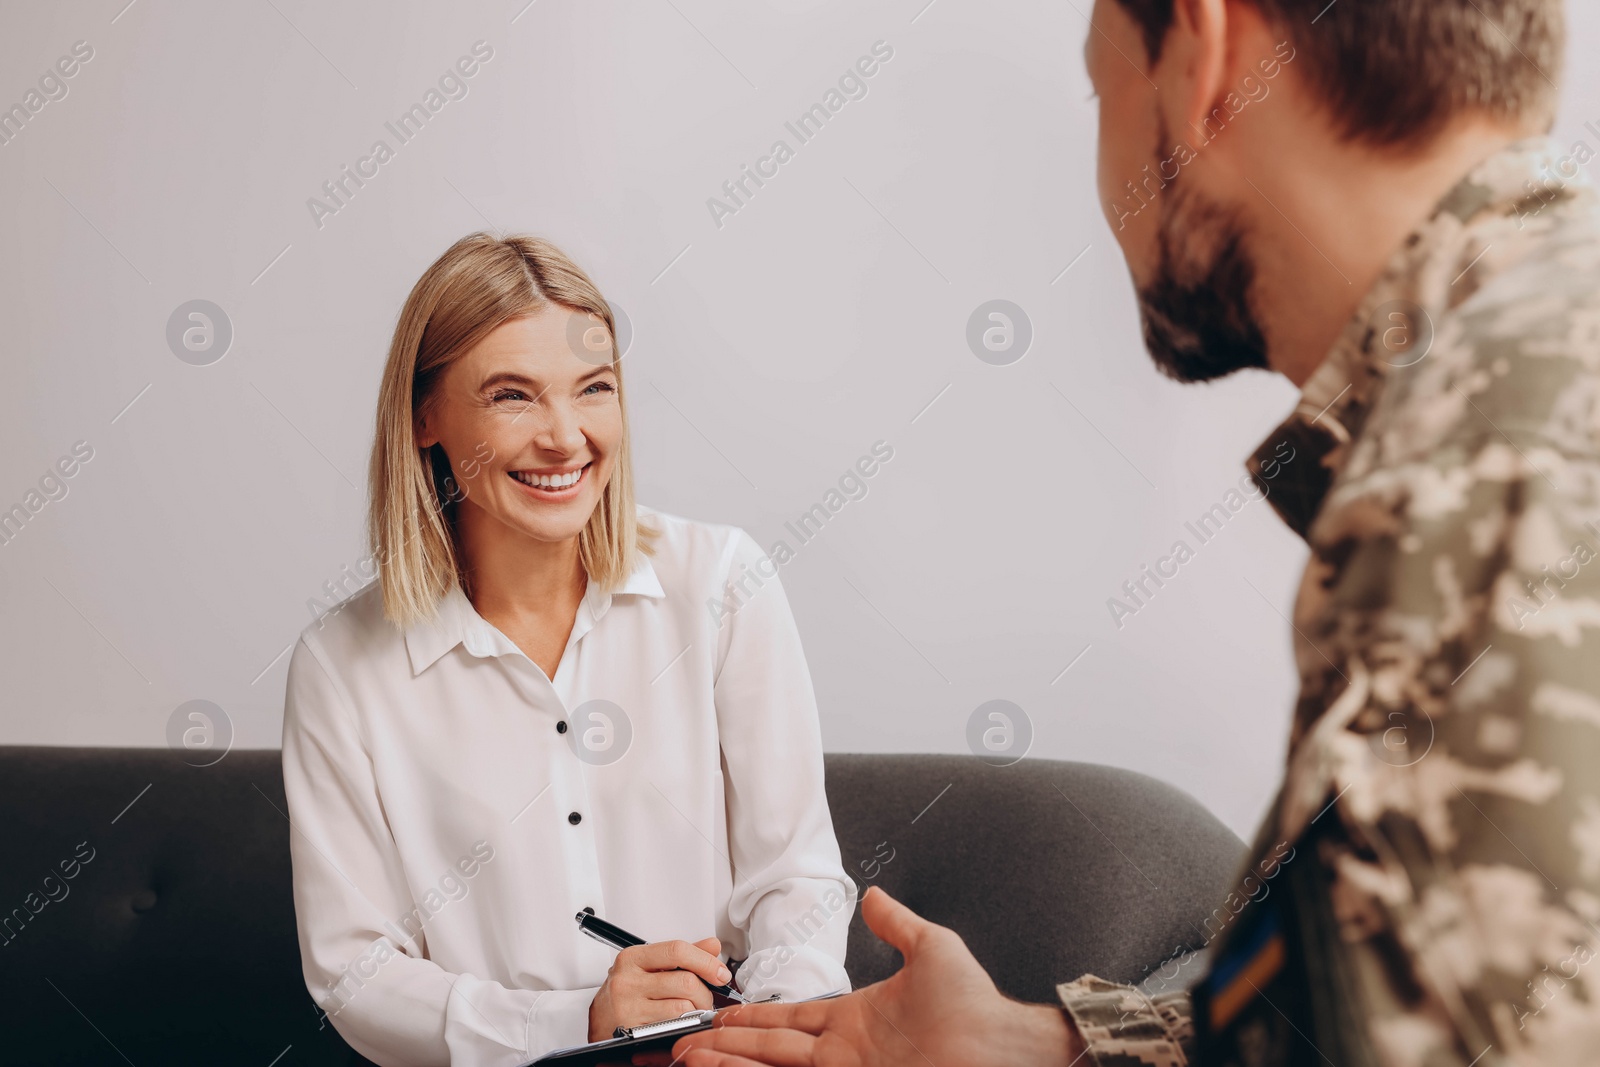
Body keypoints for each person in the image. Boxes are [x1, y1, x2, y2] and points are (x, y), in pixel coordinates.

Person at [674, 0, 1600, 1064]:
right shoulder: (1511, 376)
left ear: (1202, 57)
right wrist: (1045, 1047)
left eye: (1097, 83)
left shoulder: (1495, 460)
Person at [280, 233, 853, 1066]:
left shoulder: (724, 583)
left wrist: (768, 1039)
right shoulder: (340, 666)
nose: (565, 436)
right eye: (513, 395)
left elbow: (795, 877)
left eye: (594, 389)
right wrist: (576, 1021)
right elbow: (353, 971)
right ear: (424, 415)